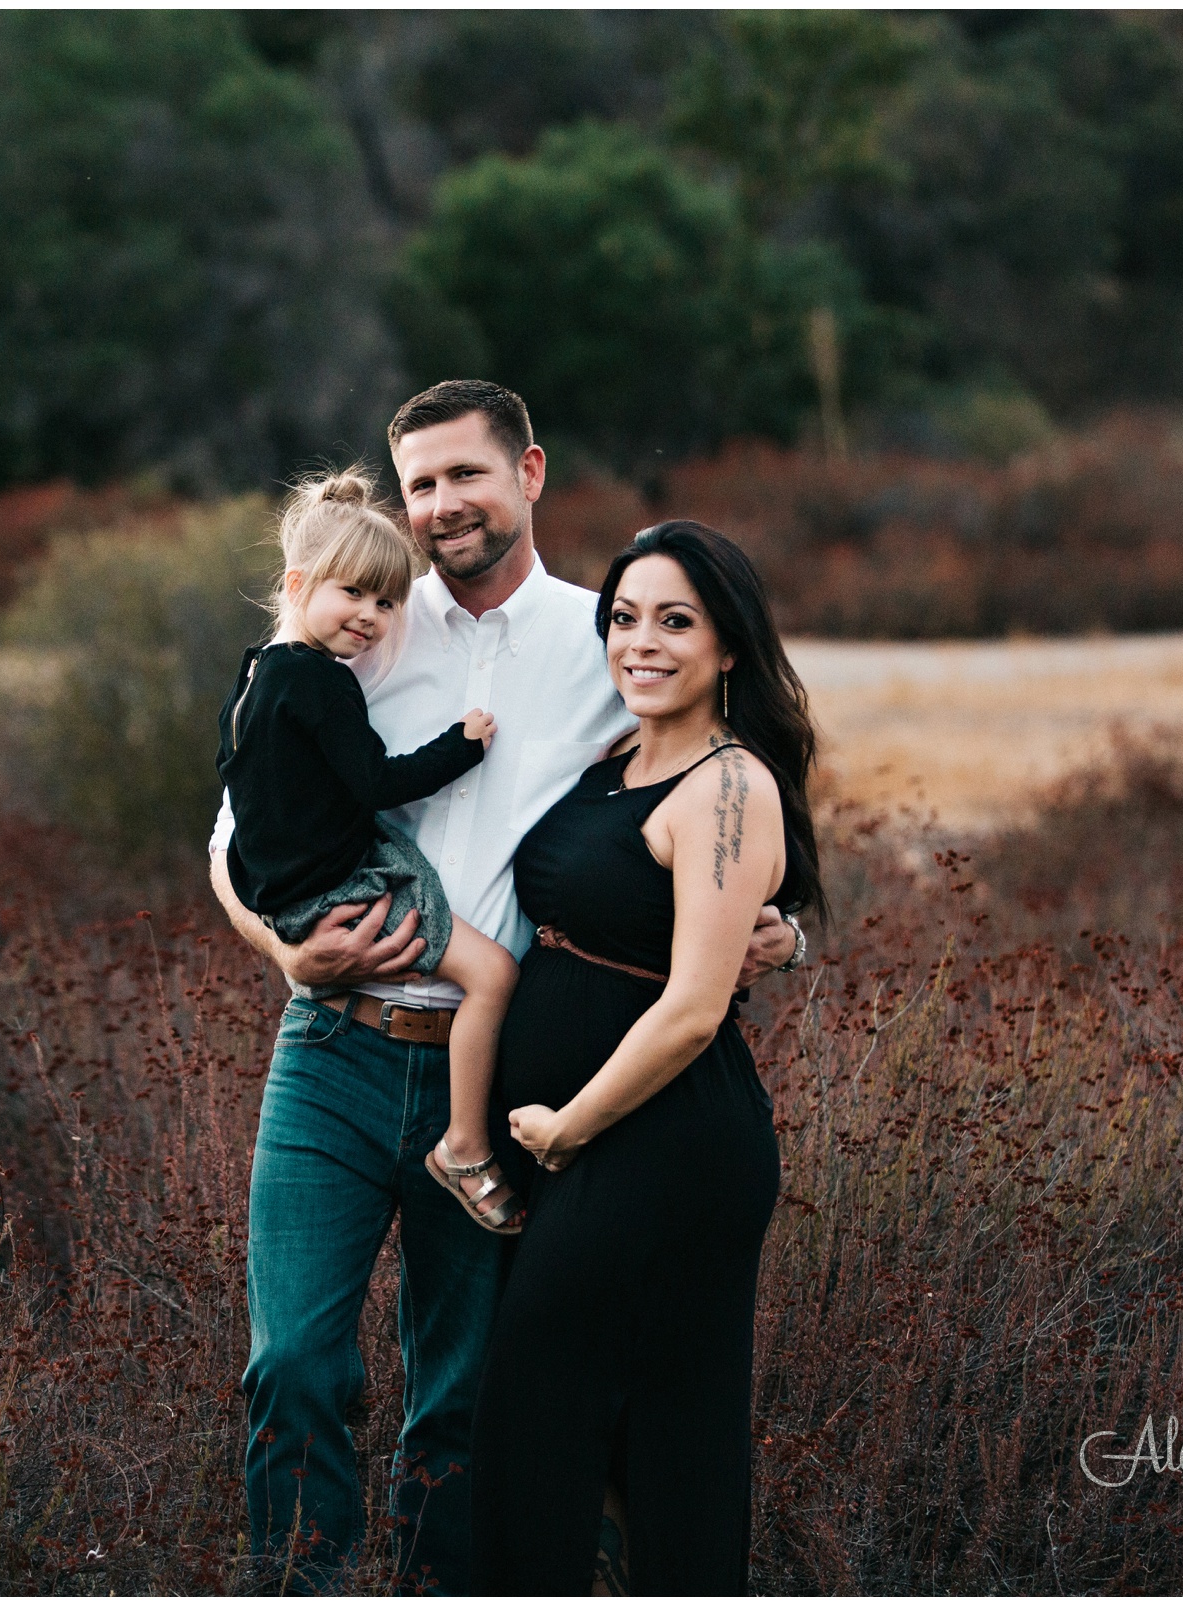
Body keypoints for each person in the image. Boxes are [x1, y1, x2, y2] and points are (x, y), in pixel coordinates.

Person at [210, 382, 803, 1591]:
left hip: (509, 1067)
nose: (442, 505)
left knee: (466, 1397)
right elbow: (232, 840)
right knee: (293, 1369)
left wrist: (773, 923)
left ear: (528, 472)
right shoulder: (361, 624)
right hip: (332, 1047)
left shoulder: (611, 638)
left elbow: (705, 794)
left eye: (465, 475)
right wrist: (283, 952)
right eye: (420, 483)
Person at [470, 520, 826, 1596]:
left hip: (663, 1144)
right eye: (624, 618)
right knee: (657, 1434)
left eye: (676, 621)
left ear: (730, 647)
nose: (642, 642)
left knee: (545, 1409)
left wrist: (565, 1127)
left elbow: (690, 1011)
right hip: (576, 1141)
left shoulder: (729, 787)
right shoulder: (612, 760)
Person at [216, 468, 523, 1233]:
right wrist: (465, 745)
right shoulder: (323, 682)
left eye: (387, 602)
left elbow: (243, 796)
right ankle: (466, 1144)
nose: (370, 617)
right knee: (491, 973)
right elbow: (377, 782)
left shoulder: (255, 675)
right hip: (339, 895)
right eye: (351, 593)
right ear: (297, 582)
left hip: (288, 895)